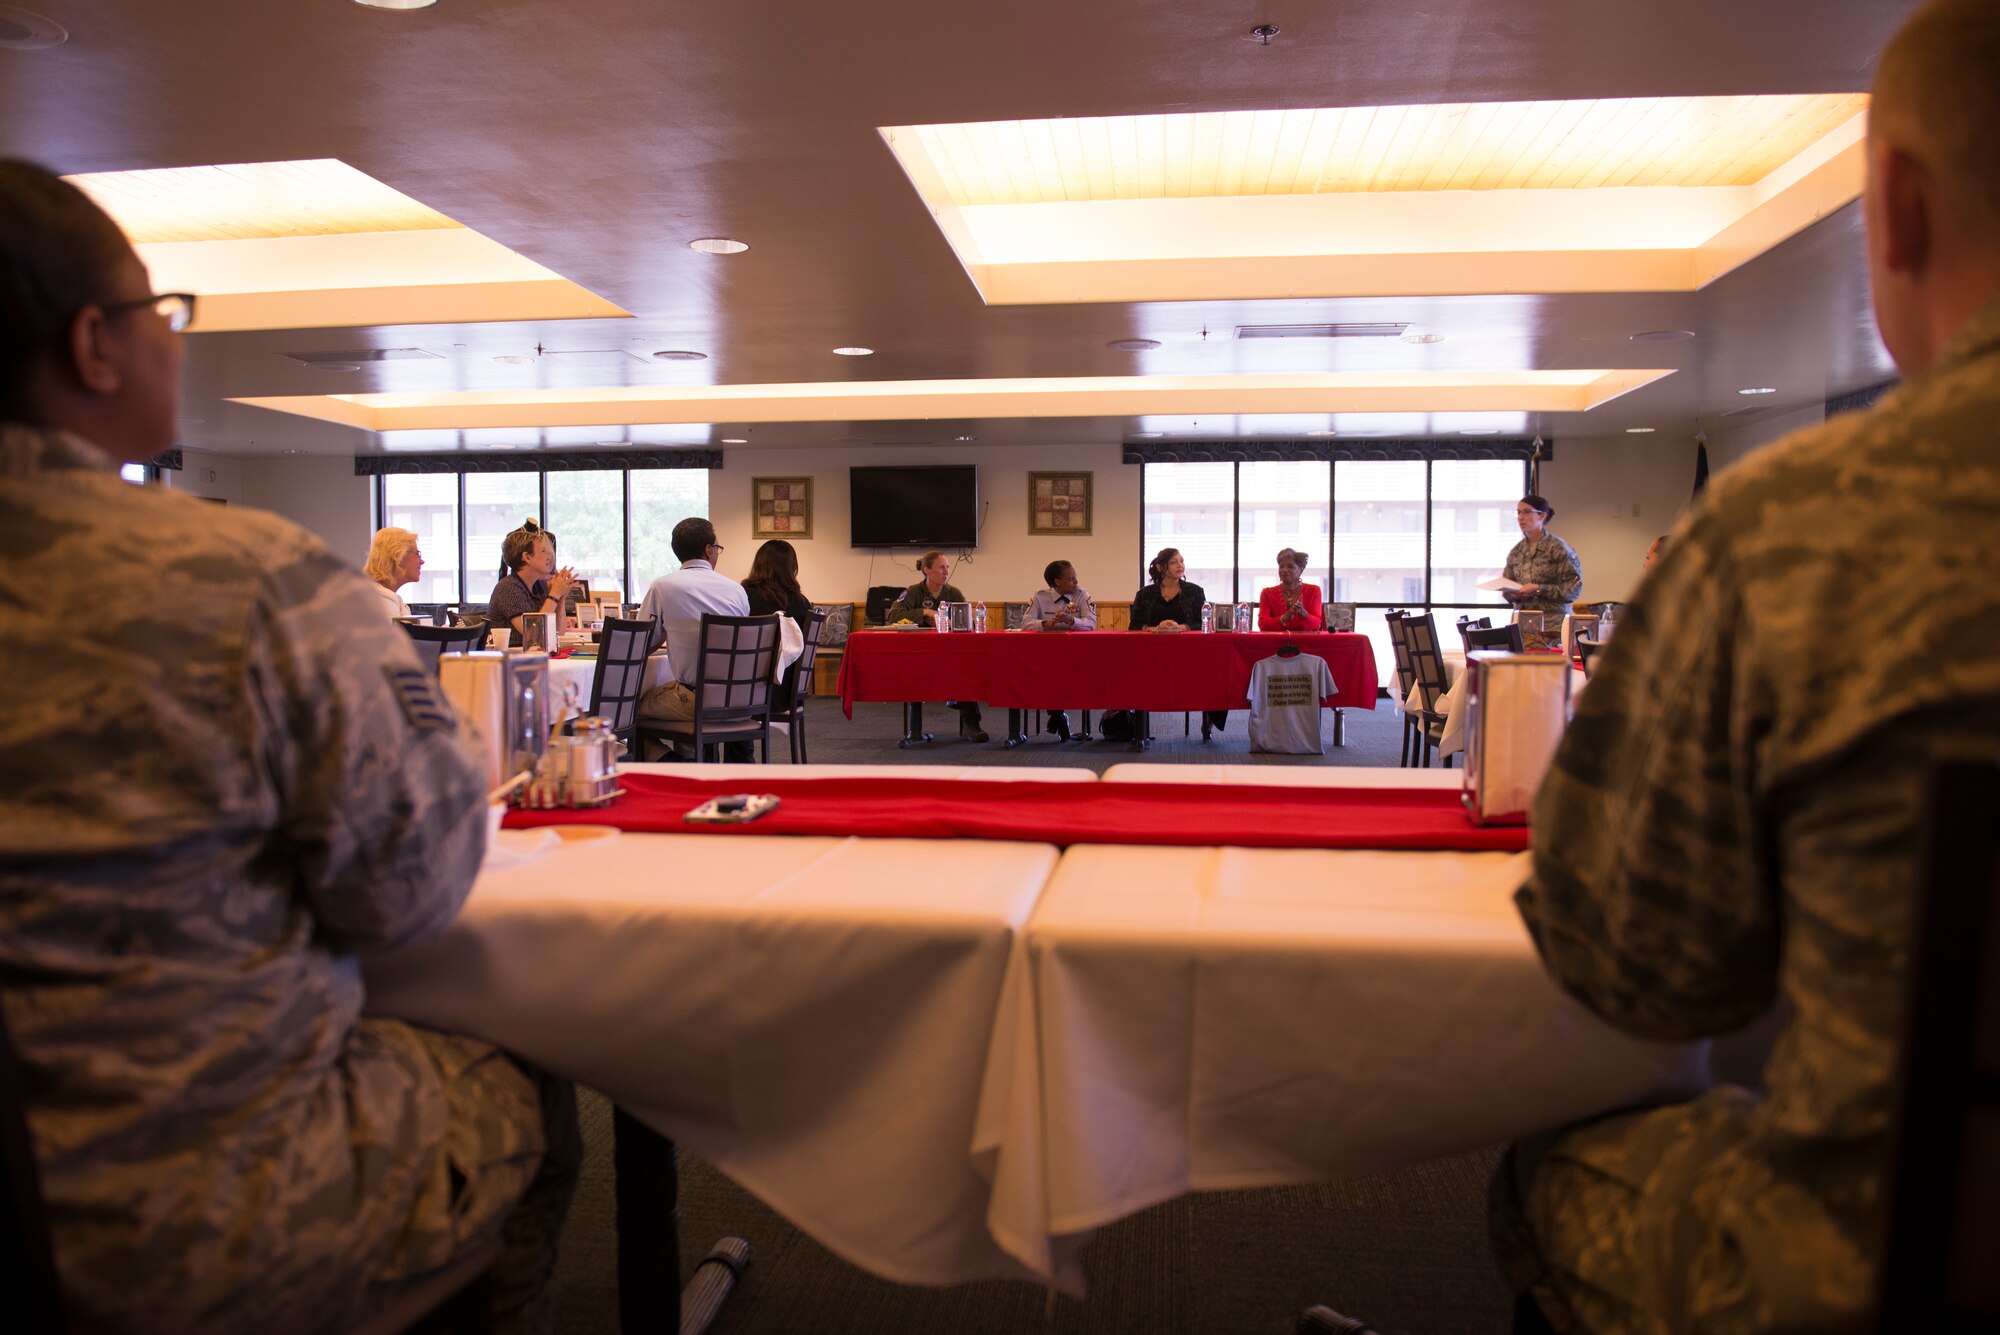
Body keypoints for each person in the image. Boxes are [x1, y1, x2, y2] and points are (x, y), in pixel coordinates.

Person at [0, 159, 575, 1333]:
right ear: (94, 349)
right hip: (175, 1216)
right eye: (162, 314)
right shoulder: (247, 582)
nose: (176, 344)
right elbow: (410, 893)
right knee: (522, 1079)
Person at [1492, 3, 2000, 1329]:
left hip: (1889, 1259)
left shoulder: (1801, 529)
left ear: (1895, 207)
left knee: (1553, 1160)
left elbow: (1643, 967)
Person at [636, 517, 751, 745]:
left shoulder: (663, 586)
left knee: (627, 710)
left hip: (695, 700)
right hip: (743, 699)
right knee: (675, 692)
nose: (717, 553)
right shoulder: (736, 590)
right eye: (717, 548)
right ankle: (689, 760)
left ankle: (673, 763)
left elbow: (641, 641)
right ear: (708, 550)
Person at [884, 551, 988, 741]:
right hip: (920, 653)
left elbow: (968, 622)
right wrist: (925, 612)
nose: (946, 571)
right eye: (941, 567)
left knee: (966, 669)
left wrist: (946, 622)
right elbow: (893, 616)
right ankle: (916, 729)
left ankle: (971, 723)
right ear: (926, 570)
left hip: (950, 652)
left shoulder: (953, 592)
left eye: (947, 567)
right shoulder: (913, 591)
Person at [1129, 547, 1226, 734]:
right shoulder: (1145, 594)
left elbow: (1203, 622)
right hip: (1153, 655)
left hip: (1189, 654)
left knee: (1216, 669)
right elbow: (1134, 625)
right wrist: (1155, 628)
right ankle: (1139, 728)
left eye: (1182, 561)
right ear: (1160, 567)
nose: (1180, 565)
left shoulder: (1195, 592)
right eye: (1174, 562)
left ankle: (1210, 718)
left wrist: (1183, 627)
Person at [1021, 560, 1097, 740]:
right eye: (1071, 579)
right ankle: (1058, 715)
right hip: (1045, 654)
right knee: (1047, 672)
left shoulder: (1082, 595)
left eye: (1075, 578)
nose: (1076, 582)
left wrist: (1073, 622)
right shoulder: (1039, 597)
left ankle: (1057, 716)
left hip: (1075, 655)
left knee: (1061, 673)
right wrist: (1047, 623)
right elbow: (1025, 624)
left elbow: (1092, 624)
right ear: (1057, 582)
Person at [742, 537, 814, 711]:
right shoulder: (802, 603)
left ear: (758, 564)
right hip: (787, 692)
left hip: (750, 691)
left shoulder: (745, 597)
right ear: (791, 567)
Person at [487, 519, 577, 643]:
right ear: (527, 557)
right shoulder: (508, 587)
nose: (549, 557)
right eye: (543, 551)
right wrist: (554, 595)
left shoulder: (538, 586)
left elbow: (559, 633)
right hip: (509, 658)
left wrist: (561, 598)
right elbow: (533, 633)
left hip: (530, 656)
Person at [1500, 495, 1582, 623]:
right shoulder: (1516, 551)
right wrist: (1514, 593)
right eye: (1518, 512)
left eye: (1527, 512)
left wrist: (1538, 588)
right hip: (1523, 625)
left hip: (1553, 626)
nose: (1521, 517)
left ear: (1542, 516)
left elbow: (1573, 589)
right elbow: (1506, 588)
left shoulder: (1558, 548)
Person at [1256, 546, 1324, 632]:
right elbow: (1262, 625)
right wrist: (1284, 618)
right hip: (1274, 642)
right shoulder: (1267, 593)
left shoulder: (1314, 591)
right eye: (1281, 566)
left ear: (1301, 570)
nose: (1284, 570)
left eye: (1290, 567)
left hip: (1305, 642)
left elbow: (1316, 625)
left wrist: (1303, 613)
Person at [364, 524, 423, 618]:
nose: (422, 561)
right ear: (397, 556)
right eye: (417, 554)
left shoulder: (383, 596)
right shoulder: (382, 599)